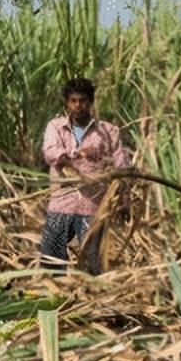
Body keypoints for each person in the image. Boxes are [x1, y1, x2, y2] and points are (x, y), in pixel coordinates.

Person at [39, 77, 130, 274]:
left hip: (94, 206)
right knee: (51, 254)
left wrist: (123, 186)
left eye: (83, 101)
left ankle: (92, 298)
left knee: (92, 258)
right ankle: (52, 292)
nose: (78, 106)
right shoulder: (55, 127)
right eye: (73, 101)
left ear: (91, 102)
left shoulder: (109, 131)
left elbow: (121, 163)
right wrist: (77, 156)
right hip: (62, 203)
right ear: (66, 103)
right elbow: (51, 152)